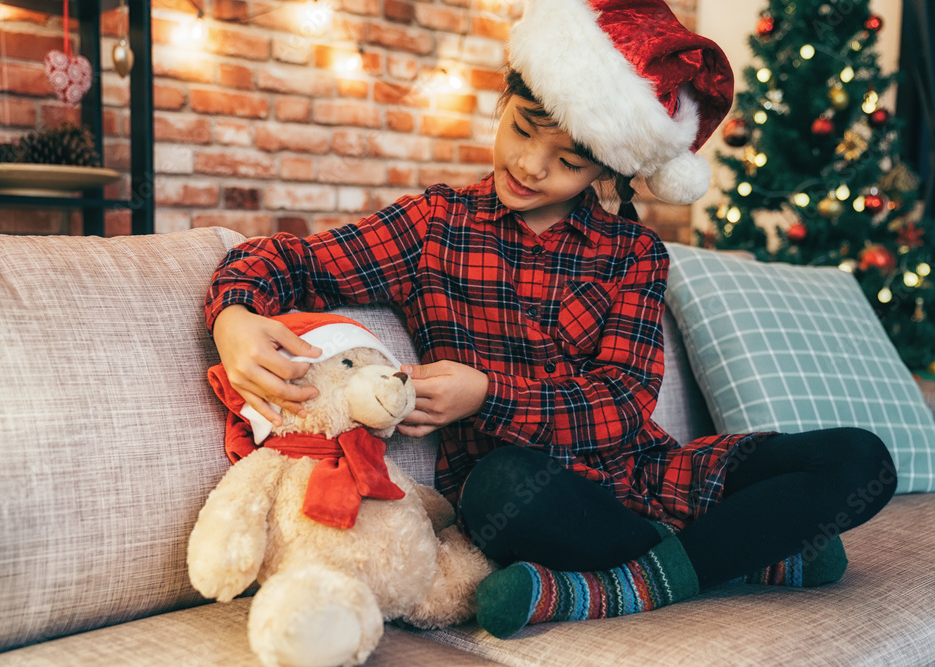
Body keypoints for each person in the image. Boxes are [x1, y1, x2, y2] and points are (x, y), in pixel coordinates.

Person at [205, 0, 897, 640]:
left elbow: (623, 405)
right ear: (503, 101)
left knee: (863, 460)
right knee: (502, 487)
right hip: (523, 499)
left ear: (606, 169)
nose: (531, 167)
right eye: (523, 128)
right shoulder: (435, 226)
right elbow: (288, 260)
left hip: (648, 478)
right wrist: (233, 313)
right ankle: (737, 555)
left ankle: (621, 583)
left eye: (568, 161)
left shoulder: (632, 253)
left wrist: (487, 393)